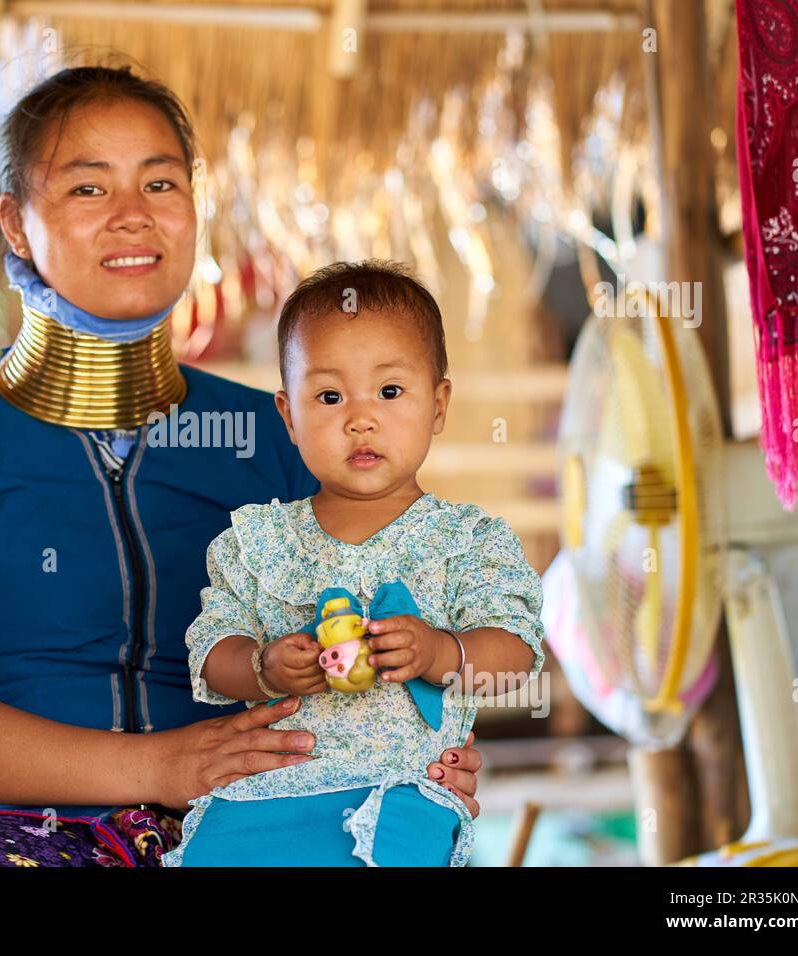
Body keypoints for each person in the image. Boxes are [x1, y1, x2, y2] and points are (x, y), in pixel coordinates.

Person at [0, 64, 485, 868]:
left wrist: (422, 744)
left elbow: (371, 625)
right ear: (17, 222)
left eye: (161, 184)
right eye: (88, 190)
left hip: (253, 818)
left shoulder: (280, 434)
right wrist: (158, 766)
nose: (134, 217)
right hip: (5, 833)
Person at [163, 261, 545, 867]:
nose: (360, 417)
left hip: (404, 787)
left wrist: (442, 653)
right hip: (268, 786)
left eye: (390, 392)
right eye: (329, 396)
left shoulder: (468, 540)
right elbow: (212, 652)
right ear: (288, 417)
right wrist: (264, 666)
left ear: (438, 403)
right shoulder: (257, 541)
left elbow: (516, 652)